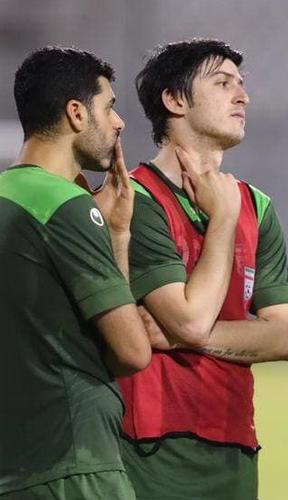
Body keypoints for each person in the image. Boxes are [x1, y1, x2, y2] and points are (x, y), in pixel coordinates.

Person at [117, 39, 288, 500]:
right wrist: (223, 219)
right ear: (174, 100)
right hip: (149, 451)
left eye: (241, 84)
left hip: (234, 448)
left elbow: (284, 338)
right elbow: (191, 320)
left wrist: (178, 337)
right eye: (222, 84)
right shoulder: (133, 200)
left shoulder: (257, 206)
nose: (243, 96)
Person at [0, 47, 151, 499]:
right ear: (76, 113)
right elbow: (132, 351)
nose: (119, 122)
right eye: (109, 107)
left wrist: (116, 232)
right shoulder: (66, 206)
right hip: (73, 465)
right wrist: (116, 236)